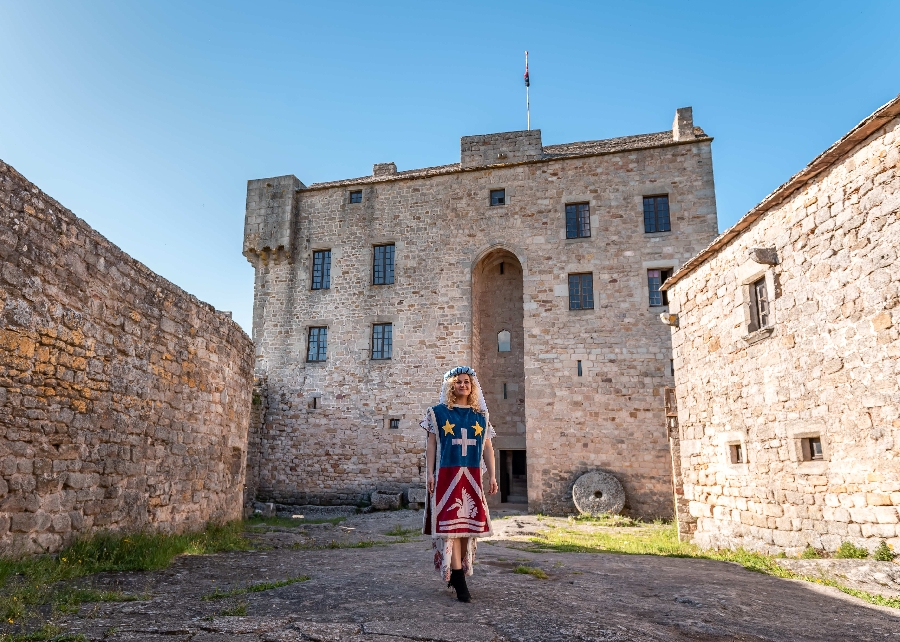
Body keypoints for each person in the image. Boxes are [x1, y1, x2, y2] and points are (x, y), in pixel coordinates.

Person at [421, 366, 498, 602]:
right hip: (447, 475)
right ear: (451, 385)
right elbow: (432, 444)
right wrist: (430, 473)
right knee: (451, 530)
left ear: (472, 386)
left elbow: (487, 447)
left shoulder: (480, 416)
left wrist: (493, 475)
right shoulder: (438, 413)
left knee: (466, 530)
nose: (463, 385)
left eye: (467, 382)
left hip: (472, 476)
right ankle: (458, 577)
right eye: (458, 382)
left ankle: (458, 572)